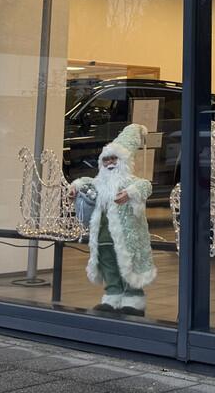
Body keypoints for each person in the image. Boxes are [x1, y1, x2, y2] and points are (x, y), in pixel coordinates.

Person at [70, 123, 156, 314]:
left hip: (127, 236)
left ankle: (133, 298)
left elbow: (145, 186)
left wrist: (130, 193)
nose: (109, 163)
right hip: (103, 236)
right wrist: (75, 187)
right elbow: (86, 182)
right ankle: (113, 295)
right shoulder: (99, 182)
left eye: (114, 159)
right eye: (106, 159)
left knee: (129, 264)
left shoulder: (131, 182)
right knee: (108, 264)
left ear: (123, 161)